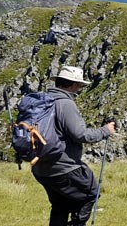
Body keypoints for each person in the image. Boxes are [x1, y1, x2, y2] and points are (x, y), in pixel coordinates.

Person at [32, 65, 116, 226]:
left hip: (41, 168)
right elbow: (80, 134)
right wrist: (105, 130)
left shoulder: (43, 101)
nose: (79, 88)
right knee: (92, 192)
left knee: (60, 204)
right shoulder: (65, 104)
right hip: (63, 167)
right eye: (79, 85)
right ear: (72, 84)